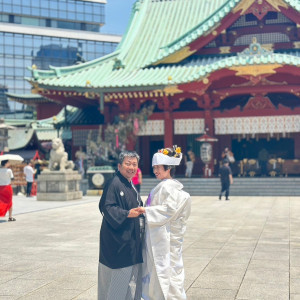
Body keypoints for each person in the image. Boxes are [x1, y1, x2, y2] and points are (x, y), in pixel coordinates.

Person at [137, 146, 191, 300]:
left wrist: (145, 211)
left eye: (158, 167)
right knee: (162, 268)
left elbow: (168, 210)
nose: (155, 170)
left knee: (165, 268)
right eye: (154, 167)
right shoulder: (166, 186)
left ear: (168, 168)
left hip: (164, 236)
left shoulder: (168, 187)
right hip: (158, 233)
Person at [98, 151, 144, 300]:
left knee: (129, 282)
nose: (131, 167)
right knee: (117, 282)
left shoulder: (130, 184)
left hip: (130, 241)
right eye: (128, 163)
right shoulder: (114, 183)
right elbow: (106, 207)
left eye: (134, 164)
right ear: (119, 166)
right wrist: (126, 213)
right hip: (118, 243)